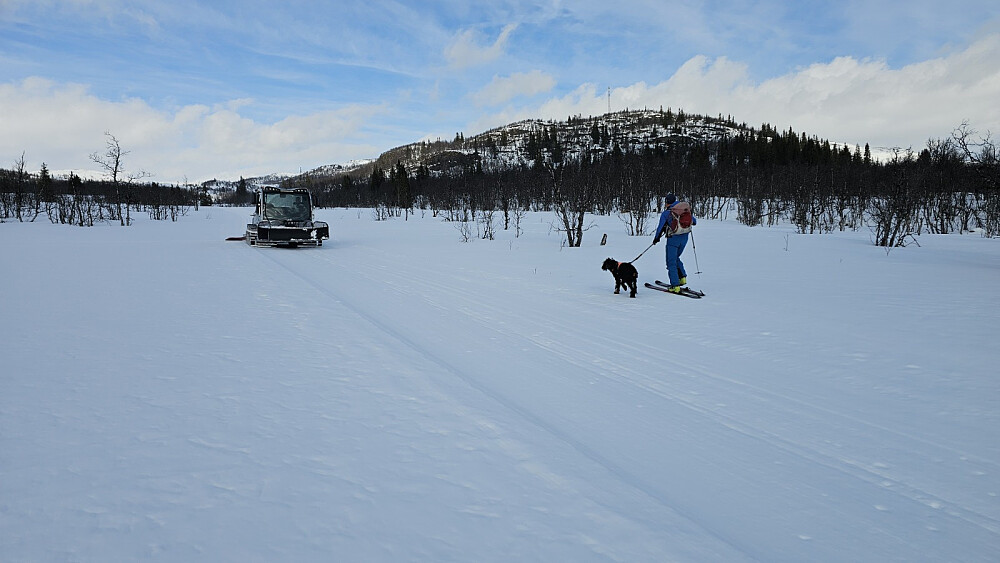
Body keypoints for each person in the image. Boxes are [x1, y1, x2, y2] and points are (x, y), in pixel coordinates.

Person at [652, 194, 696, 293]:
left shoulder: (667, 213)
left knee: (671, 262)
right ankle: (682, 277)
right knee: (676, 258)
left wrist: (656, 239)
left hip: (673, 239)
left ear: (667, 202)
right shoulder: (684, 209)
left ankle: (675, 285)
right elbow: (694, 222)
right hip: (684, 237)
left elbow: (660, 228)